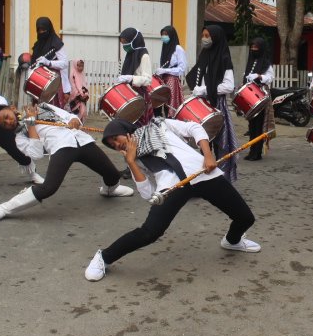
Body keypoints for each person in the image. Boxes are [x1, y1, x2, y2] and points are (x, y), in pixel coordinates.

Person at [84, 117, 260, 282]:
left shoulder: (160, 125)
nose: (116, 144)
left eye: (116, 138)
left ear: (126, 131)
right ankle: (103, 257)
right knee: (150, 233)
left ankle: (232, 241)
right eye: (112, 145)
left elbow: (194, 127)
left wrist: (207, 154)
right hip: (172, 188)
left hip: (203, 174)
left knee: (245, 218)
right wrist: (131, 162)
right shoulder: (134, 158)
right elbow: (148, 194)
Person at [0, 104, 134, 224]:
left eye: (7, 117)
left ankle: (108, 191)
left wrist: (75, 120)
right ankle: (4, 208)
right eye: (4, 124)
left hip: (82, 141)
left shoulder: (42, 107)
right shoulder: (19, 137)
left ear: (12, 108)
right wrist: (31, 125)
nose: (8, 122)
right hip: (61, 147)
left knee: (113, 175)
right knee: (48, 188)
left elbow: (68, 115)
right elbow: (36, 154)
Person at [185, 25, 238, 182]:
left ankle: (222, 179)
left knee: (221, 145)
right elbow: (197, 76)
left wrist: (206, 89)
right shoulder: (204, 55)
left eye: (207, 36)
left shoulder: (224, 58)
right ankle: (205, 178)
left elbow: (229, 86)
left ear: (215, 37)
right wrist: (196, 89)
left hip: (216, 105)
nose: (204, 39)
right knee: (203, 142)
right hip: (201, 104)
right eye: (203, 35)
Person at [241, 37, 275, 161]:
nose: (253, 49)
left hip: (260, 95)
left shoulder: (266, 62)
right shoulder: (250, 61)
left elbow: (270, 78)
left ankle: (257, 152)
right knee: (251, 125)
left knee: (259, 124)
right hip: (250, 96)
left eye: (256, 47)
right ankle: (252, 150)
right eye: (252, 47)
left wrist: (259, 76)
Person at [31, 16, 70, 108]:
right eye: (39, 30)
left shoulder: (56, 43)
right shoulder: (37, 45)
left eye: (44, 30)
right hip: (39, 83)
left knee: (52, 111)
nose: (42, 32)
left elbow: (65, 63)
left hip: (54, 85)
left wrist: (49, 62)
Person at [117, 27, 153, 126]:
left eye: (125, 42)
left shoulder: (144, 56)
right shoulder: (130, 54)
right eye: (122, 43)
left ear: (133, 40)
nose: (124, 45)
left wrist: (131, 78)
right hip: (129, 93)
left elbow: (148, 79)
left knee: (139, 126)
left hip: (140, 96)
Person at [155, 25, 187, 117]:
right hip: (163, 80)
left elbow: (182, 68)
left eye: (166, 34)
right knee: (161, 103)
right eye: (162, 34)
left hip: (172, 80)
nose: (163, 36)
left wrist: (166, 70)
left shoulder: (178, 49)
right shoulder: (165, 48)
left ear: (172, 35)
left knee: (171, 106)